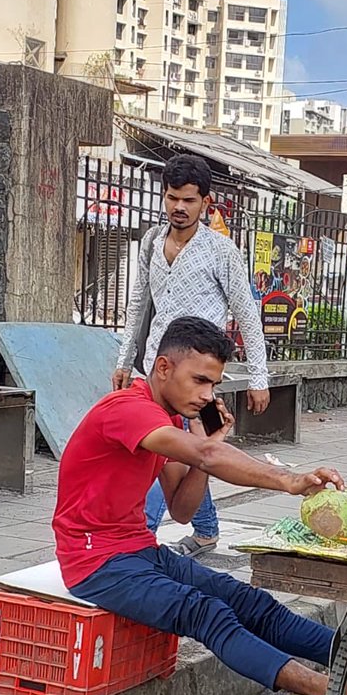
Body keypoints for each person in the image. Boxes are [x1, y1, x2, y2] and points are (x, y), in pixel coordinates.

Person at [54, 317, 343, 695]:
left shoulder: (167, 422)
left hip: (138, 550)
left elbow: (183, 509)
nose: (208, 395)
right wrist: (286, 480)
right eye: (200, 381)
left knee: (248, 601)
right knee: (205, 611)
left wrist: (216, 439)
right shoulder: (127, 409)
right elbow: (204, 457)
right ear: (164, 369)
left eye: (214, 385)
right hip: (94, 563)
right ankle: (328, 689)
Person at [114, 154, 270, 560]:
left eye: (189, 200)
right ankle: (195, 533)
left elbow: (247, 314)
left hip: (198, 377)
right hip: (156, 371)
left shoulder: (221, 251)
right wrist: (123, 359)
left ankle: (146, 539)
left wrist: (259, 377)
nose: (179, 207)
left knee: (193, 454)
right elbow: (137, 306)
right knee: (161, 454)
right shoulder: (150, 242)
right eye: (171, 198)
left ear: (206, 202)